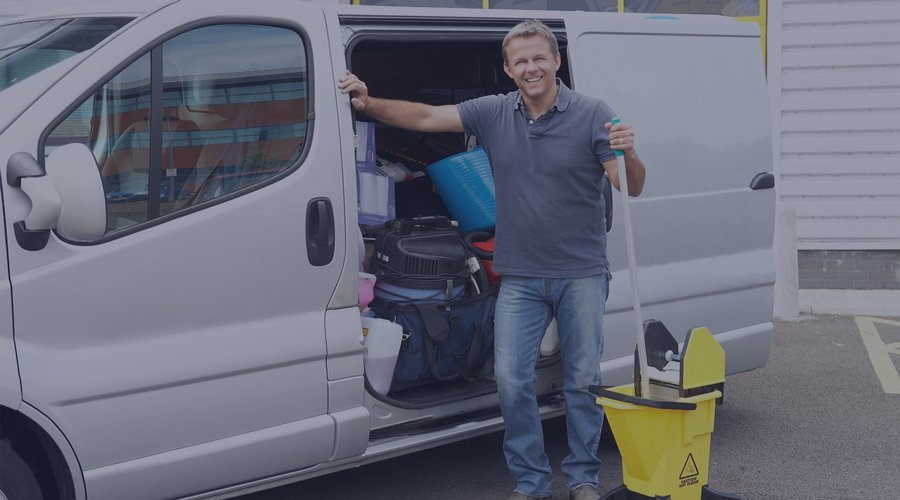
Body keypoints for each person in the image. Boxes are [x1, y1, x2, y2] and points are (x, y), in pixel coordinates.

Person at [339, 19, 646, 500]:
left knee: (583, 380)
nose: (531, 68)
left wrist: (630, 153)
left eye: (539, 57)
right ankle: (531, 482)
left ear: (557, 61)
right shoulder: (493, 113)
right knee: (510, 380)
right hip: (520, 276)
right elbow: (423, 118)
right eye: (520, 61)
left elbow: (629, 185)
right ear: (507, 68)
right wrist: (368, 102)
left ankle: (584, 478)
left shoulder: (592, 114)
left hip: (581, 273)